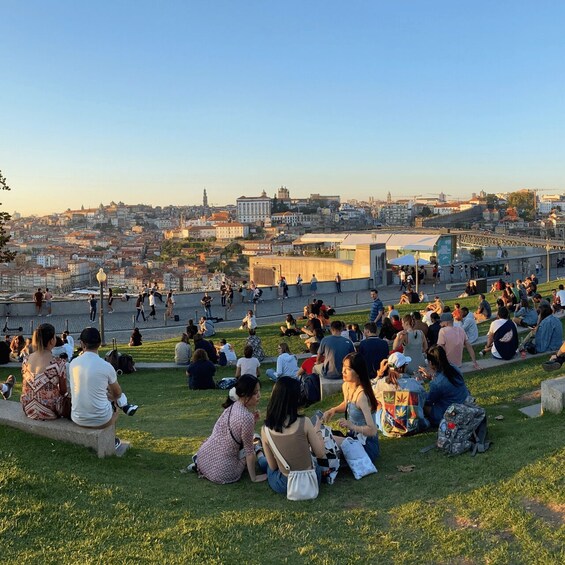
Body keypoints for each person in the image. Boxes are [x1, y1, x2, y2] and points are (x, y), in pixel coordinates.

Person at [188, 374, 267, 484]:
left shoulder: (232, 407)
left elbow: (233, 432)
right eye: (254, 393)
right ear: (244, 394)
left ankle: (198, 465)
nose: (259, 395)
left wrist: (252, 421)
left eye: (259, 391)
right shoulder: (246, 416)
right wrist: (254, 478)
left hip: (204, 459)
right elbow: (248, 451)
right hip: (224, 472)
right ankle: (259, 450)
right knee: (254, 443)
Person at [69, 328, 138, 448]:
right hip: (101, 420)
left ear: (82, 344)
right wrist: (112, 396)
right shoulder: (106, 366)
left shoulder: (73, 363)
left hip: (77, 417)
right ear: (99, 344)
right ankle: (123, 410)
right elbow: (117, 393)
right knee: (116, 398)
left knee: (105, 394)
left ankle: (125, 406)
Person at [257, 376, 326, 495]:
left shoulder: (265, 430)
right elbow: (320, 453)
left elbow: (273, 466)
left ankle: (258, 452)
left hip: (285, 484)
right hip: (311, 479)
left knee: (266, 464)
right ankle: (259, 454)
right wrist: (318, 430)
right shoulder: (305, 422)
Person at [322, 352, 380, 461]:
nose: (343, 371)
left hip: (367, 445)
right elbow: (347, 404)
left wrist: (352, 426)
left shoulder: (362, 396)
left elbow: (372, 430)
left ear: (358, 372)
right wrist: (333, 410)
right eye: (343, 366)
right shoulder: (346, 386)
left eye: (347, 369)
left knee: (326, 441)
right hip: (353, 437)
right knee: (323, 437)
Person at [372, 352, 429, 437]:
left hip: (390, 429)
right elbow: (424, 399)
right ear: (402, 368)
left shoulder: (382, 384)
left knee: (377, 405)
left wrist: (379, 375)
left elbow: (368, 390)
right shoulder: (414, 384)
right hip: (414, 427)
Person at [20, 324, 68, 420]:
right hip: (50, 410)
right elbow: (63, 391)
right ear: (51, 341)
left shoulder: (26, 359)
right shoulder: (58, 363)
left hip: (28, 407)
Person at [418, 345, 471, 427]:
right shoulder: (454, 369)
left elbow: (429, 401)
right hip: (465, 406)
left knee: (422, 402)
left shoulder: (437, 383)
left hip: (451, 413)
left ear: (431, 363)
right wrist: (431, 377)